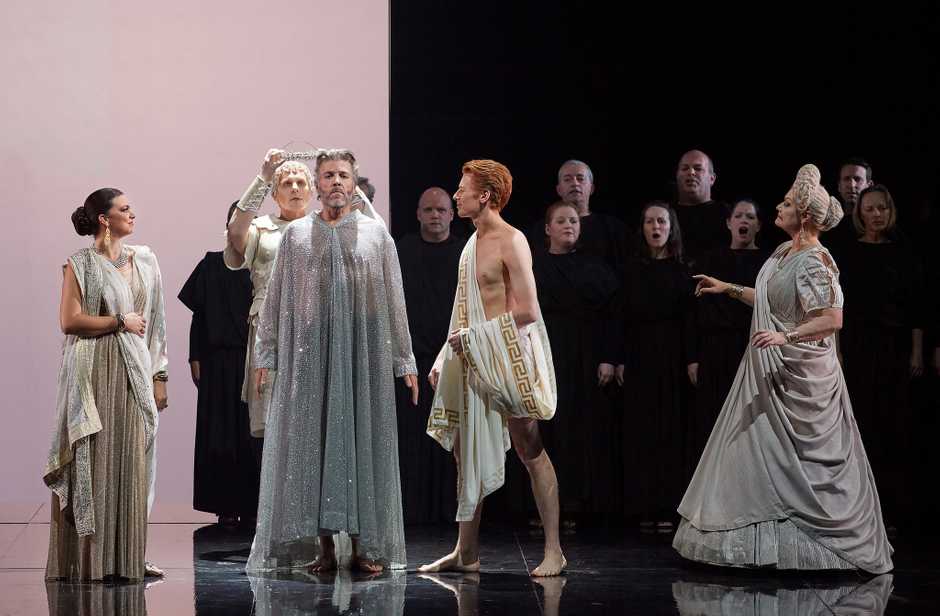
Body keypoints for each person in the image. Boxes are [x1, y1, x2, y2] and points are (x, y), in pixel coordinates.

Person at [674, 164, 893, 574]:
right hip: (774, 369)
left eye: (788, 203)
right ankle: (763, 544)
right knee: (759, 458)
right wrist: (728, 288)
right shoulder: (783, 251)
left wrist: (786, 338)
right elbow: (772, 300)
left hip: (800, 374)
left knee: (799, 465)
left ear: (805, 216)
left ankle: (819, 545)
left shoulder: (816, 260)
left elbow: (831, 319)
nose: (779, 206)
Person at [246, 149, 419, 574]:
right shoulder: (297, 236)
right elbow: (277, 298)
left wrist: (404, 358)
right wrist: (266, 353)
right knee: (314, 441)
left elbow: (395, 299)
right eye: (328, 175)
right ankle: (322, 549)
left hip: (361, 352)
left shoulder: (376, 236)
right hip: (310, 352)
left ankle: (363, 545)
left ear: (354, 182)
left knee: (360, 439)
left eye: (343, 175)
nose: (336, 182)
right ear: (318, 185)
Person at [419, 160, 565, 577]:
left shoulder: (511, 239)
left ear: (484, 195)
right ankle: (466, 552)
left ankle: (554, 549)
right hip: (473, 356)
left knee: (529, 447)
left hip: (508, 357)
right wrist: (445, 355)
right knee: (467, 453)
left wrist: (473, 339)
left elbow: (528, 310)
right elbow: (462, 309)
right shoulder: (470, 242)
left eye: (462, 189)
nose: (457, 195)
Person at [45, 188, 168, 581]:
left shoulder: (144, 261)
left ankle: (128, 559)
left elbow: (157, 323)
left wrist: (159, 374)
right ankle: (91, 561)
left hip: (133, 371)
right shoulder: (79, 264)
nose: (132, 213)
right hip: (94, 374)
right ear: (104, 218)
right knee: (96, 462)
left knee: (132, 461)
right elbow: (70, 321)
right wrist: (119, 322)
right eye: (124, 208)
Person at [838, 184, 925, 529]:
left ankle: (890, 509)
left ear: (890, 212)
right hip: (858, 346)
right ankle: (858, 508)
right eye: (870, 209)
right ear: (859, 214)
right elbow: (837, 308)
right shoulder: (847, 253)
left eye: (882, 209)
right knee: (861, 424)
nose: (876, 215)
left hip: (894, 346)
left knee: (894, 425)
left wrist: (917, 351)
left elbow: (917, 307)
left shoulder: (904, 253)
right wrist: (839, 353)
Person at [533, 201, 621, 521]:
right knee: (547, 426)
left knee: (580, 427)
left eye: (573, 220)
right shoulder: (534, 265)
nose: (569, 225)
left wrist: (609, 358)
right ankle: (542, 504)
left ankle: (576, 502)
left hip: (585, 355)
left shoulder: (595, 266)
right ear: (548, 229)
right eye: (561, 221)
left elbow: (612, 315)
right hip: (546, 352)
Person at [615, 202, 695, 530]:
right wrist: (617, 357)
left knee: (671, 428)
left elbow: (691, 319)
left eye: (661, 221)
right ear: (643, 228)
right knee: (640, 428)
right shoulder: (630, 269)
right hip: (638, 354)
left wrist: (692, 358)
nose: (656, 227)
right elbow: (619, 317)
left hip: (673, 354)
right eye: (649, 222)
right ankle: (642, 505)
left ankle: (668, 505)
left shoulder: (684, 269)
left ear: (671, 227)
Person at [179, 203, 259, 527]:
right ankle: (224, 505)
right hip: (216, 361)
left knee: (252, 435)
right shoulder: (210, 264)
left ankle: (254, 505)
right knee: (219, 434)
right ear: (228, 225)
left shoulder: (261, 267)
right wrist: (194, 356)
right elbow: (198, 317)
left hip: (254, 360)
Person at [224, 151, 314, 439]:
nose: (296, 188)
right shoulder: (262, 228)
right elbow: (236, 232)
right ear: (275, 193)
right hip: (270, 327)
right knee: (274, 423)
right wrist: (262, 176)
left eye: (301, 182)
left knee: (312, 421)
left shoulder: (325, 230)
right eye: (287, 183)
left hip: (314, 326)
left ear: (312, 191)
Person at [395, 187, 466, 523]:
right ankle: (414, 509)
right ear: (418, 214)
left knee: (454, 439)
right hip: (414, 361)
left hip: (455, 359)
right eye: (428, 210)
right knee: (414, 439)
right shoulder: (403, 250)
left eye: (441, 210)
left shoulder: (466, 251)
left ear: (452, 214)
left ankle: (454, 511)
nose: (435, 216)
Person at [686, 199, 769, 467]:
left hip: (755, 347)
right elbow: (694, 312)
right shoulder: (710, 260)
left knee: (753, 420)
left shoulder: (768, 263)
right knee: (714, 417)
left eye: (750, 216)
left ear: (758, 225)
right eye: (738, 216)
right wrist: (694, 356)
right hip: (715, 349)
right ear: (728, 223)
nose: (744, 221)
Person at [672, 150, 728, 268]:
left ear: (712, 179)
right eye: (685, 168)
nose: (691, 172)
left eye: (698, 168)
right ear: (677, 176)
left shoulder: (730, 215)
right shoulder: (665, 216)